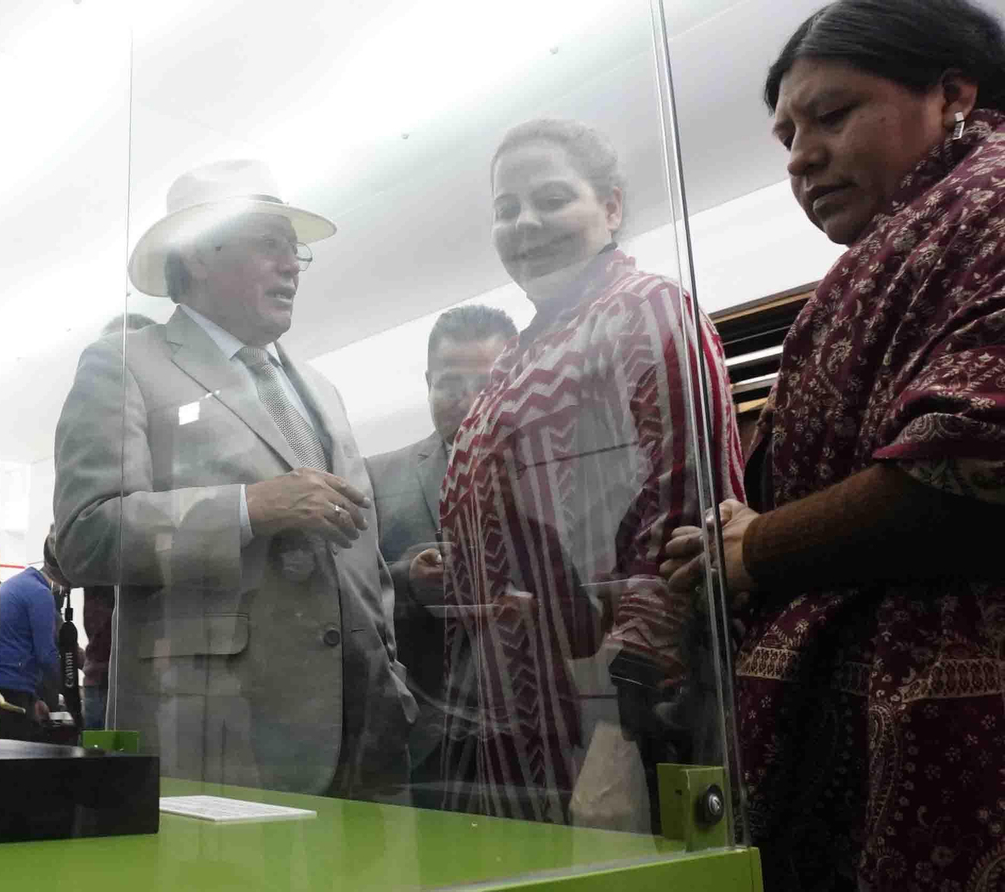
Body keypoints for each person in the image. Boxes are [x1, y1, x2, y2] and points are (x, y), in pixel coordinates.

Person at [658, 2, 1005, 887]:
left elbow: (974, 463)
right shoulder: (915, 237)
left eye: (834, 114)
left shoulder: (989, 204)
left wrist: (757, 550)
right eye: (785, 136)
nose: (802, 156)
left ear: (952, 95)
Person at [53, 159, 416, 799]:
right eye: (267, 245)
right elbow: (87, 535)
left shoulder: (323, 391)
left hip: (368, 738)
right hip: (225, 739)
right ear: (194, 257)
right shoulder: (124, 364)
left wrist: (391, 675)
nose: (291, 265)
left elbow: (364, 555)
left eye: (293, 249)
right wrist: (251, 508)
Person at [439, 119, 743, 827]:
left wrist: (622, 723)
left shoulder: (646, 310)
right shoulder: (515, 358)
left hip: (619, 716)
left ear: (610, 207)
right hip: (520, 713)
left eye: (551, 198)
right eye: (506, 209)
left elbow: (683, 511)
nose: (526, 223)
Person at [365, 304, 514, 808]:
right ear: (427, 381)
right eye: (451, 384)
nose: (469, 401)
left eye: (487, 383)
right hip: (422, 738)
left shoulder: (557, 472)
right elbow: (348, 595)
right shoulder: (376, 479)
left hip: (535, 728)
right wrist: (408, 581)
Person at [78, 312, 158, 732]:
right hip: (105, 669)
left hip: (170, 667)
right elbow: (64, 561)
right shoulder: (89, 464)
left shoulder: (177, 450)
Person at [0, 535, 67, 743]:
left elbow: (15, 645)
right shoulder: (40, 593)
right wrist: (70, 696)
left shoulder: (18, 583)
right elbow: (47, 656)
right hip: (13, 694)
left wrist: (34, 698)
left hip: (1, 692)